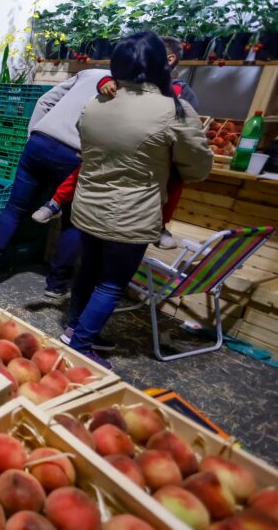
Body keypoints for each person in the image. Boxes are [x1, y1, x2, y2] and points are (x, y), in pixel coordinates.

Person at [60, 31, 212, 368]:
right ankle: (81, 346)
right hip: (132, 212)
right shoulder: (174, 109)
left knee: (87, 271)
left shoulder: (96, 103)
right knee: (112, 282)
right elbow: (197, 168)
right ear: (162, 63)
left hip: (88, 205)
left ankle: (75, 328)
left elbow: (85, 147)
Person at [32, 36, 200, 250]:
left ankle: (160, 226)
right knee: (85, 168)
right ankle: (55, 203)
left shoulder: (180, 94)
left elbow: (188, 145)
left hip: (148, 160)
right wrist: (105, 84)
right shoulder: (126, 85)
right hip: (121, 159)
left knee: (175, 180)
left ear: (169, 59)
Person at [0, 67, 111, 297]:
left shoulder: (90, 73)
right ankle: (55, 285)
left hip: (41, 142)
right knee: (73, 221)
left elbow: (45, 101)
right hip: (75, 155)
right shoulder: (129, 91)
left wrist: (33, 133)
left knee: (14, 210)